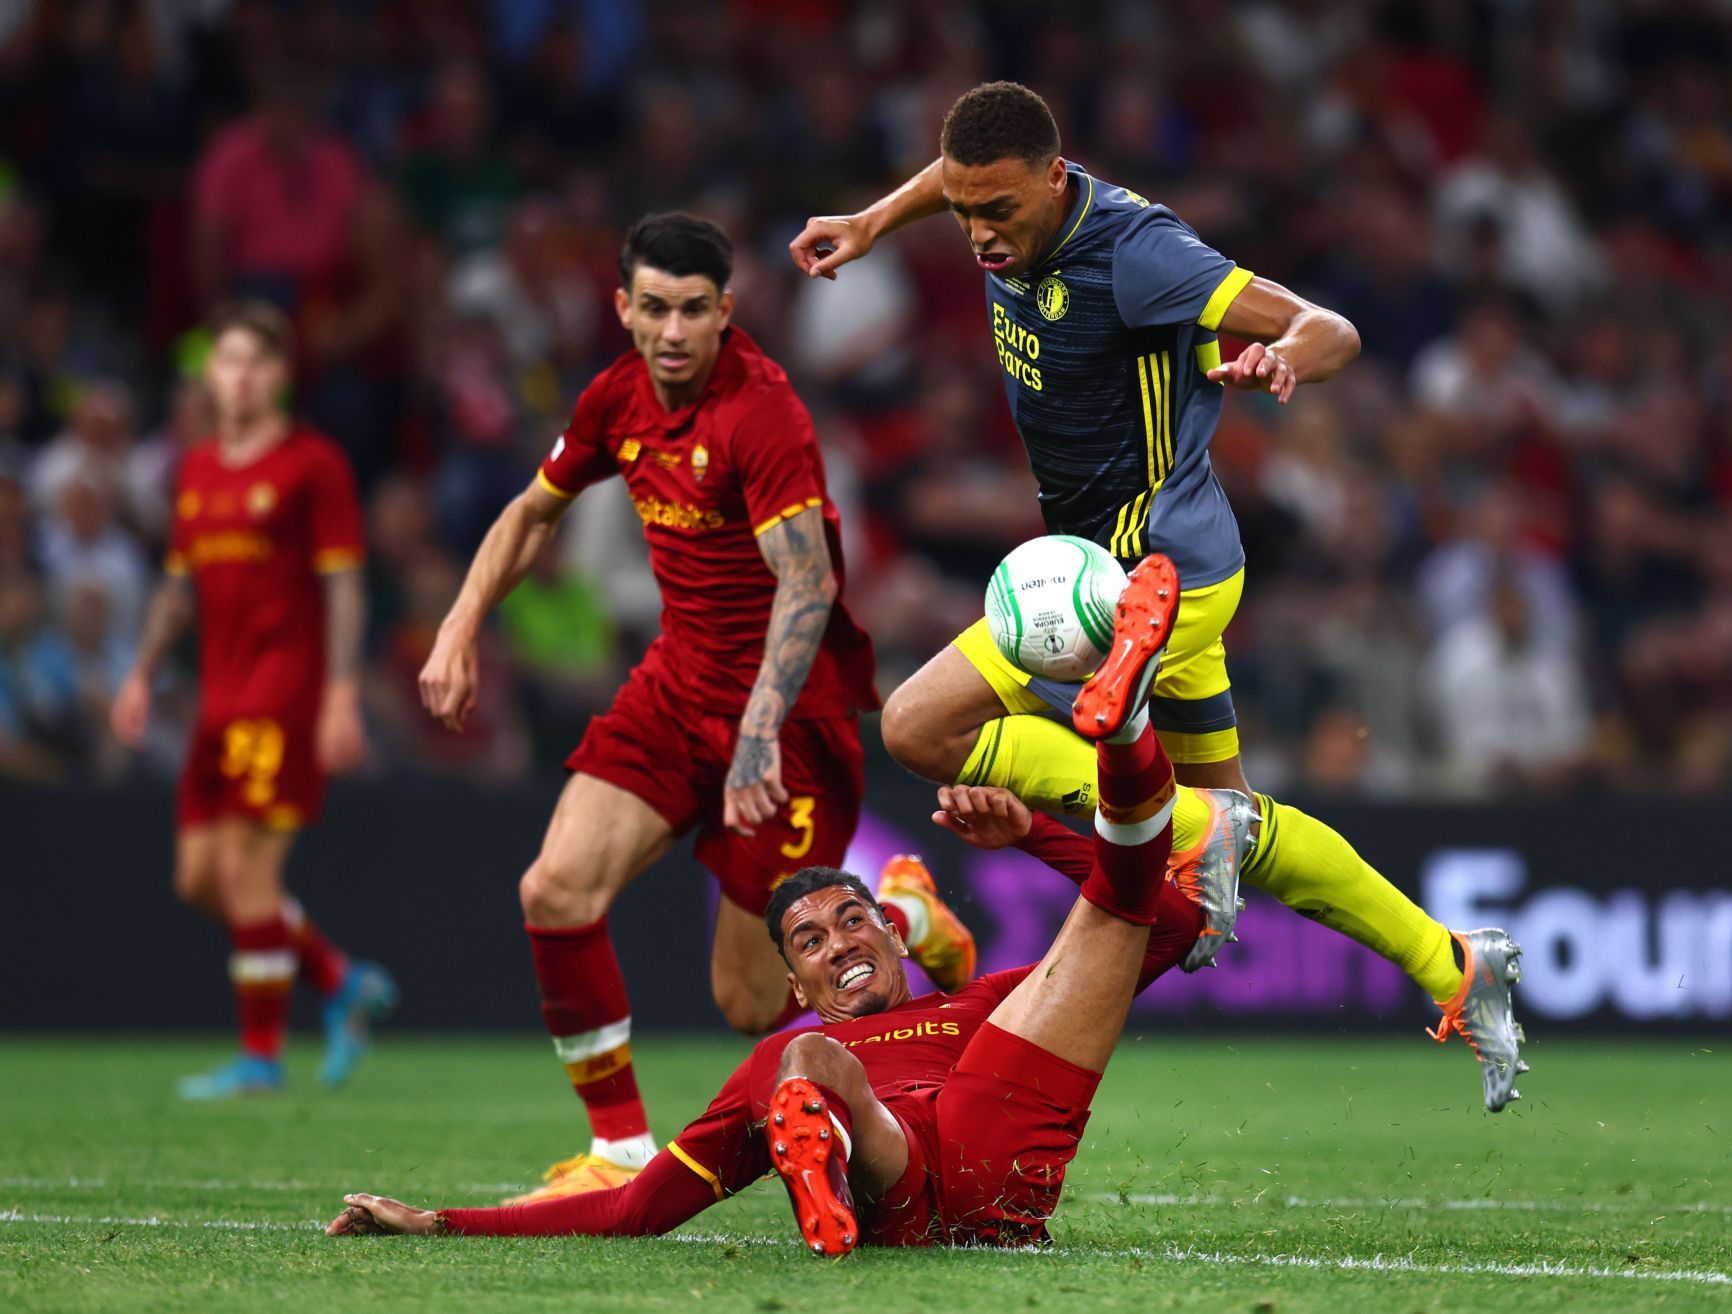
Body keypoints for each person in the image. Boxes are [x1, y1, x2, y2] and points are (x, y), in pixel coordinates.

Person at [328, 558, 1528, 1250]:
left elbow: (1169, 925)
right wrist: (439, 1223)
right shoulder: (790, 1044)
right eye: (811, 937)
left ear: (888, 935)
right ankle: (830, 1151)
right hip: (909, 1171)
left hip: (999, 1125)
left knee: (1117, 904)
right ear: (791, 974)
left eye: (853, 917)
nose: (838, 938)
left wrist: (1036, 835)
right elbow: (639, 1209)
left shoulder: (978, 1008)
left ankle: (1122, 715)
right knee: (810, 1070)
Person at [789, 81, 1515, 1103]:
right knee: (1235, 829)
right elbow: (961, 176)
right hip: (1161, 564)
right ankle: (1454, 965)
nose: (981, 236)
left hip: (1138, 585)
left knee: (915, 726)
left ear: (1056, 179)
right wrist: (873, 221)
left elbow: (1330, 326)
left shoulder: (1136, 252)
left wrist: (1286, 355)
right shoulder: (1000, 201)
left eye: (998, 211)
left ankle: (1178, 824)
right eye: (963, 213)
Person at [416, 213, 975, 1204]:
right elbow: (533, 511)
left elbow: (804, 582)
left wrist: (759, 725)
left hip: (790, 718)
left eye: (694, 310)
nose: (673, 331)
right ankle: (619, 1149)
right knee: (553, 891)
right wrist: (461, 624)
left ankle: (897, 912)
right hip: (676, 689)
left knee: (746, 1002)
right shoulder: (613, 398)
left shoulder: (764, 415)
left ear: (726, 311)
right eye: (655, 309)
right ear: (623, 308)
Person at [111, 301, 396, 1100]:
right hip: (216, 695)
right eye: (227, 361)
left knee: (247, 870)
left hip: (285, 691)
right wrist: (140, 674)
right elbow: (177, 587)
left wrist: (340, 694)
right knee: (199, 880)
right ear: (209, 372)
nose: (239, 377)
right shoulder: (196, 468)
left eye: (256, 362)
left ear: (280, 375)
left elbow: (344, 588)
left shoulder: (313, 465)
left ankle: (260, 1056)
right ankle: (340, 979)